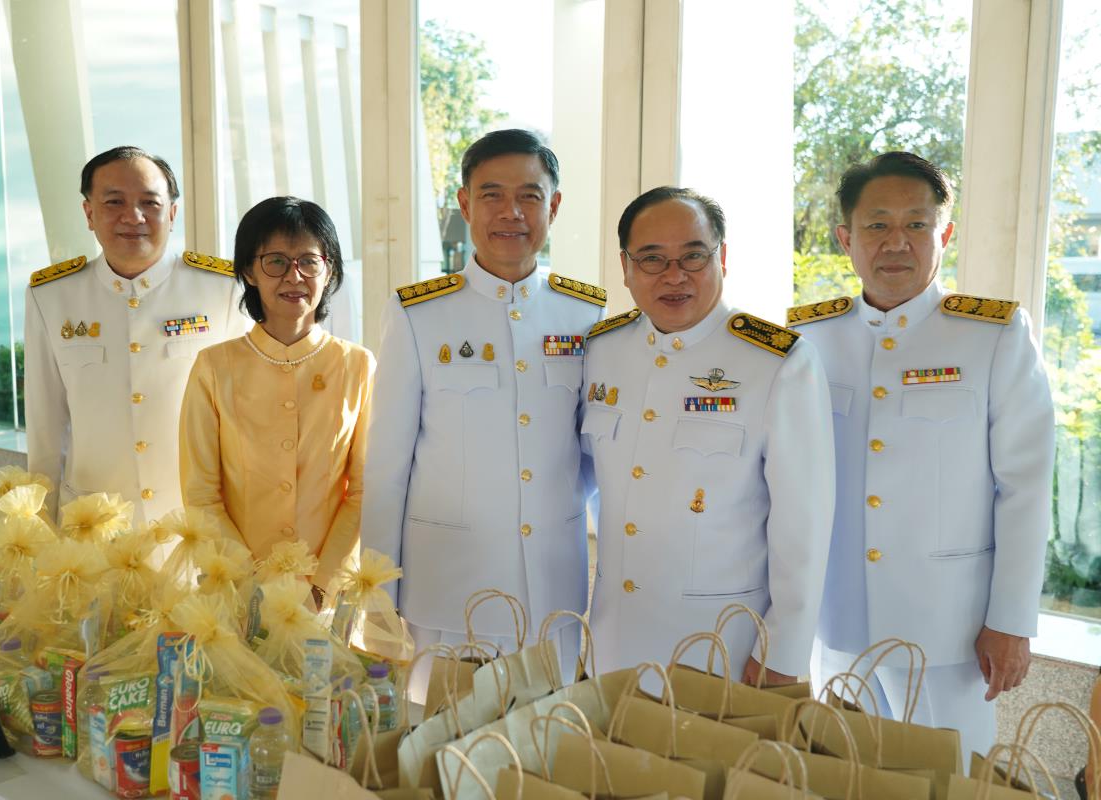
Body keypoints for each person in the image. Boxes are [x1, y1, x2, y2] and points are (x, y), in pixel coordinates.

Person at [792, 151, 1055, 762]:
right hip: (838, 620)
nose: (896, 242)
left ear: (945, 234)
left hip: (950, 630)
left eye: (916, 224)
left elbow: (1025, 487)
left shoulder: (994, 335)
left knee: (954, 778)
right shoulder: (808, 338)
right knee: (844, 775)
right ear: (846, 239)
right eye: (877, 225)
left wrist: (1012, 619)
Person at [361, 129, 605, 692]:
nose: (511, 212)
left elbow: (596, 455)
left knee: (549, 738)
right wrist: (377, 594)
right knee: (440, 740)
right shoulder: (419, 313)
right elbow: (388, 466)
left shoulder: (585, 314)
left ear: (554, 206)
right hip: (448, 590)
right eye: (492, 194)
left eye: (529, 196)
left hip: (552, 593)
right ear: (465, 204)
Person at [582, 187, 835, 682]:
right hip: (614, 637)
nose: (674, 275)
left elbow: (803, 524)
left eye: (693, 256)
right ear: (626, 267)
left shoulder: (777, 362)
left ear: (723, 257)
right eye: (652, 259)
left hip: (722, 644)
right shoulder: (603, 350)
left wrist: (781, 652)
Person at [24, 146, 248, 525]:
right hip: (91, 528)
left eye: (150, 202)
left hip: (192, 527)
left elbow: (242, 419)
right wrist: (41, 532)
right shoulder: (51, 296)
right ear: (89, 213)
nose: (134, 217)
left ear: (172, 213)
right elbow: (45, 428)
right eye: (114, 202)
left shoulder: (222, 289)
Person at [179, 197, 374, 597]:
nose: (294, 276)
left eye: (309, 261)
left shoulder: (356, 364)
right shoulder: (214, 366)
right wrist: (249, 585)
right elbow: (201, 493)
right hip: (237, 590)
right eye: (276, 262)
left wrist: (323, 584)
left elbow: (363, 490)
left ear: (329, 271)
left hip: (327, 594)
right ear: (249, 271)